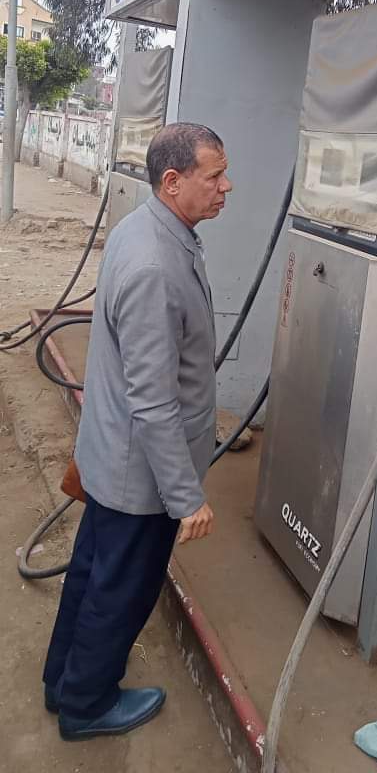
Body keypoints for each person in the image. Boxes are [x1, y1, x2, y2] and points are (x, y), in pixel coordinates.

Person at [43, 122, 232, 742]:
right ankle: (87, 706)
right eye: (214, 176)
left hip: (112, 455)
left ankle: (63, 682)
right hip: (139, 474)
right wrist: (186, 497)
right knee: (120, 591)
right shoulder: (156, 265)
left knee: (92, 573)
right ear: (173, 181)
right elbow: (152, 401)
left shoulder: (145, 227)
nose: (226, 187)